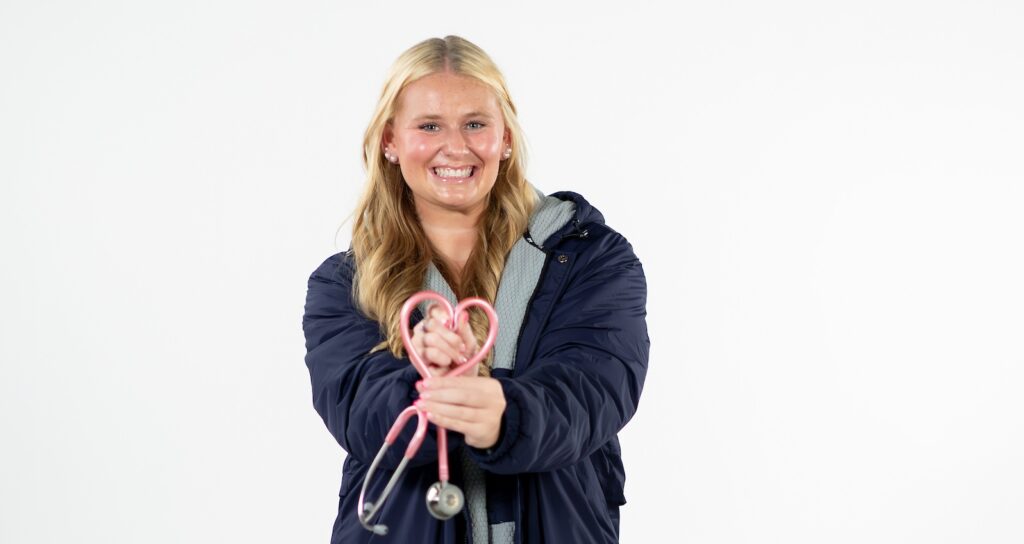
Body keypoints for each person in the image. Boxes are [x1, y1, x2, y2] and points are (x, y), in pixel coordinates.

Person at [302, 35, 650, 543]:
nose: (455, 146)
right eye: (428, 126)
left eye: (475, 124)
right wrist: (426, 387)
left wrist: (506, 417)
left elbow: (597, 389)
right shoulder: (343, 285)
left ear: (504, 138)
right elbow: (360, 410)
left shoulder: (593, 258)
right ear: (390, 142)